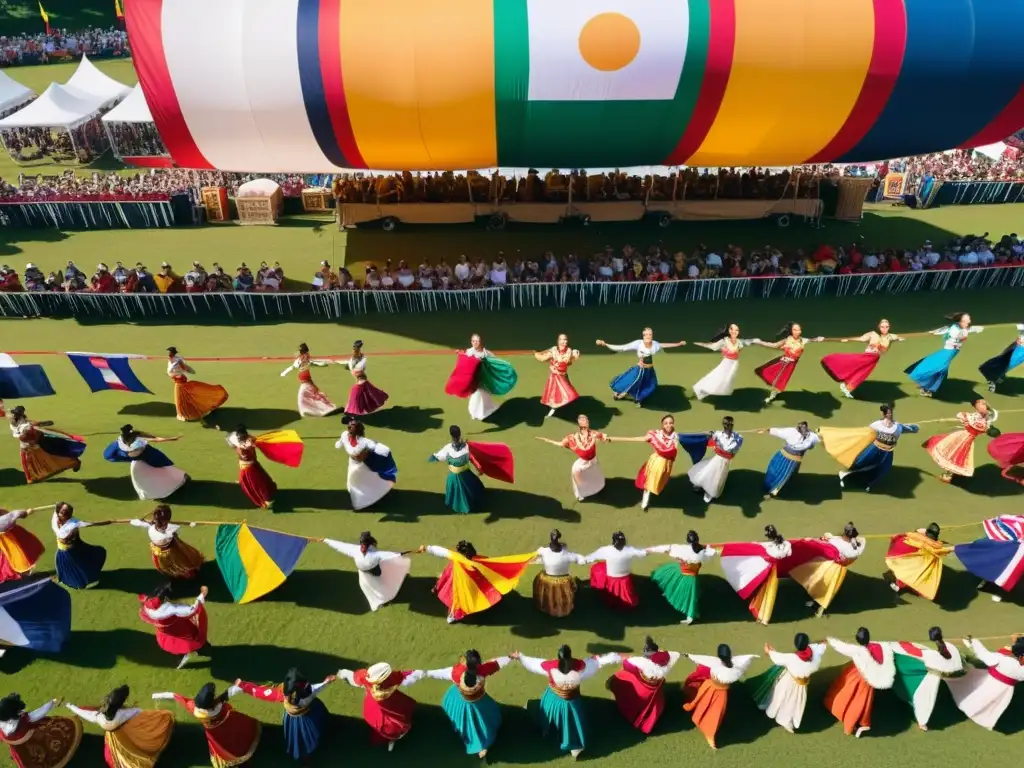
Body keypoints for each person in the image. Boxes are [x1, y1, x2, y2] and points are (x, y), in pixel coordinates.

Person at [515, 646, 620, 760]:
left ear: (559, 657)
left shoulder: (551, 666)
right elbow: (595, 663)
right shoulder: (580, 666)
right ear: (570, 656)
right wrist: (614, 656)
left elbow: (534, 664)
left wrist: (520, 656)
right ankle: (575, 747)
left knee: (545, 710)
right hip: (572, 702)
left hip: (554, 698)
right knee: (574, 722)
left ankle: (546, 730)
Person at [607, 414, 708, 512]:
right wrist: (615, 438)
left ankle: (649, 494)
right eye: (666, 423)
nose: (668, 425)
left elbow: (693, 437)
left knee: (659, 481)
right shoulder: (655, 435)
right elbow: (637, 439)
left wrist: (706, 435)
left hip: (667, 464)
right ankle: (645, 501)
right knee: (649, 482)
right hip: (656, 462)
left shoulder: (676, 437)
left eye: (671, 423)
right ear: (662, 425)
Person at [425, 650, 512, 759]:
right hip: (480, 703)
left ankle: (478, 745)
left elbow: (442, 673)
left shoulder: (457, 673)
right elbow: (497, 663)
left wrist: (426, 672)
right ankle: (482, 746)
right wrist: (509, 657)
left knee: (466, 723)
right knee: (483, 722)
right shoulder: (481, 670)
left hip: (462, 703)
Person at [421, 540, 534, 623]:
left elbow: (442, 551)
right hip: (472, 578)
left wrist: (427, 548)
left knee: (458, 597)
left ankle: (453, 615)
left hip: (462, 580)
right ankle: (452, 613)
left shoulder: (458, 558)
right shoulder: (476, 560)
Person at [234, 669, 337, 761]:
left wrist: (243, 685)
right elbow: (318, 688)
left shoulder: (283, 695)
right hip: (310, 715)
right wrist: (327, 681)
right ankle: (307, 753)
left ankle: (305, 757)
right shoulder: (309, 694)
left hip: (294, 720)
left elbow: (263, 692)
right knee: (308, 735)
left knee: (299, 740)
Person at [150, 683, 261, 766]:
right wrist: (241, 684)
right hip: (229, 723)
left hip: (214, 733)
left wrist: (159, 695)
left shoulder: (195, 709)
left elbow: (178, 697)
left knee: (221, 745)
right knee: (238, 734)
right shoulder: (218, 706)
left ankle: (229, 760)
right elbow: (230, 692)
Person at [65, 685, 175, 768]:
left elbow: (85, 714)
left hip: (113, 737)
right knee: (139, 742)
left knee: (117, 753)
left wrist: (71, 706)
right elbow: (137, 712)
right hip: (127, 731)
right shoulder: (123, 714)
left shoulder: (99, 717)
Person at [820, 404, 920, 492]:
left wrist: (916, 427)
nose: (891, 415)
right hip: (874, 449)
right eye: (889, 413)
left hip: (888, 452)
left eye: (891, 413)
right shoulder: (877, 425)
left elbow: (909, 429)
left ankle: (869, 484)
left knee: (884, 468)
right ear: (885, 414)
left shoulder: (897, 426)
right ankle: (847, 474)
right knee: (862, 462)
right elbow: (866, 433)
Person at [681, 644, 758, 750]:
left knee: (706, 708)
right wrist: (752, 656)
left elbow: (703, 659)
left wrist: (689, 655)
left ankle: (708, 732)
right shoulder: (736, 666)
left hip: (709, 688)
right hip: (721, 693)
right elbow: (744, 659)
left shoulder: (716, 663)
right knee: (715, 714)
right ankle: (709, 734)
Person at [825, 628, 896, 737]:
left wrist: (829, 640)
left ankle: (851, 724)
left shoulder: (859, 651)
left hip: (861, 678)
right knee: (864, 702)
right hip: (872, 678)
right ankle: (863, 722)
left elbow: (843, 648)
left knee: (854, 700)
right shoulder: (880, 646)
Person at [748, 633, 826, 733]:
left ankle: (775, 712)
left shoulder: (791, 658)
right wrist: (824, 643)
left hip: (788, 680)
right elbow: (820, 648)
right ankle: (787, 720)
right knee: (795, 702)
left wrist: (770, 651)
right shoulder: (815, 654)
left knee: (779, 695)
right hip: (802, 686)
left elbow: (778, 658)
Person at [890, 627, 964, 731]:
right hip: (955, 673)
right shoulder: (951, 648)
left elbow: (921, 656)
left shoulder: (931, 656)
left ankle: (922, 722)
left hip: (938, 673)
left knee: (924, 697)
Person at [337, 664, 423, 751]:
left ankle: (391, 737)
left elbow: (355, 679)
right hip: (390, 704)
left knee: (384, 725)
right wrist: (417, 672)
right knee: (397, 719)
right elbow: (401, 675)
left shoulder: (366, 677)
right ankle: (394, 736)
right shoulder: (389, 681)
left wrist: (343, 673)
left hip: (373, 708)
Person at [719, 525, 793, 625]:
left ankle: (763, 616)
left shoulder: (771, 547)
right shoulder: (786, 544)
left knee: (766, 591)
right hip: (773, 571)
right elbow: (789, 553)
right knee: (768, 592)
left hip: (768, 570)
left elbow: (763, 548)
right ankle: (763, 616)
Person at [946, 635, 1024, 730]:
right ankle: (985, 717)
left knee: (977, 693)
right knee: (994, 704)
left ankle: (969, 708)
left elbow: (984, 655)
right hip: (1006, 690)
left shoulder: (1003, 658)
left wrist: (973, 642)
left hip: (989, 680)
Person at [321, 532, 412, 612]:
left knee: (379, 583)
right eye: (362, 545)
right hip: (363, 573)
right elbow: (341, 545)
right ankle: (375, 602)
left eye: (364, 545)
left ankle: (384, 597)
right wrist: (326, 540)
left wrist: (404, 552)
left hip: (374, 570)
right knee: (365, 587)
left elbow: (389, 555)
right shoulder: (355, 550)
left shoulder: (375, 553)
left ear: (368, 546)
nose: (362, 547)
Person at [606, 636, 680, 734]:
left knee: (620, 677)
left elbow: (626, 664)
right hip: (655, 689)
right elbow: (675, 654)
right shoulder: (668, 661)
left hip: (643, 690)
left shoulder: (640, 662)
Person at [789, 523, 866, 616]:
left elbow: (828, 544)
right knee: (827, 585)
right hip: (835, 567)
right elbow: (860, 544)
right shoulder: (851, 546)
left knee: (823, 585)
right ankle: (817, 602)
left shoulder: (838, 543)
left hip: (831, 567)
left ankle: (817, 604)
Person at [596, 328, 686, 407]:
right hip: (640, 370)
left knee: (650, 385)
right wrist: (606, 344)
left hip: (649, 370)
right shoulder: (638, 343)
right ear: (643, 335)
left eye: (650, 334)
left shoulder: (655, 344)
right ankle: (620, 394)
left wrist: (678, 344)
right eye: (646, 334)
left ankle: (638, 398)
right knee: (633, 383)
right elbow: (622, 348)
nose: (648, 336)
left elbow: (663, 345)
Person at [905, 312, 984, 396]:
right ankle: (925, 386)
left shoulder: (959, 327)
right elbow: (960, 337)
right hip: (948, 352)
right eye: (966, 320)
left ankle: (924, 384)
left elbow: (964, 330)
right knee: (939, 369)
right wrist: (965, 332)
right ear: (960, 321)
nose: (969, 322)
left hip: (950, 352)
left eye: (969, 320)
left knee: (934, 366)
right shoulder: (955, 330)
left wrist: (974, 329)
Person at [820, 319, 904, 398]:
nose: (885, 329)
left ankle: (847, 387)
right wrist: (848, 340)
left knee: (861, 374)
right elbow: (860, 339)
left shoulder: (891, 337)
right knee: (851, 364)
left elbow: (884, 350)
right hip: (867, 356)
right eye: (882, 327)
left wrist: (899, 339)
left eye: (887, 327)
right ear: (879, 327)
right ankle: (841, 377)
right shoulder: (873, 334)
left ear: (889, 327)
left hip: (874, 359)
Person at [647, 531, 718, 624]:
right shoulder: (703, 552)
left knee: (687, 595)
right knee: (691, 597)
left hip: (685, 574)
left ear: (687, 540)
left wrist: (650, 549)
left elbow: (667, 548)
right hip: (691, 575)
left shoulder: (682, 549)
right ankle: (692, 615)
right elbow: (712, 553)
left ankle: (691, 616)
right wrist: (708, 549)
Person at [103, 425, 189, 500]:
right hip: (144, 461)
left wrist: (171, 439)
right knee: (158, 474)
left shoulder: (126, 442)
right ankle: (169, 486)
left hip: (143, 462)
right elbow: (155, 439)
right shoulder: (130, 441)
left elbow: (109, 455)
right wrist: (171, 439)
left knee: (149, 478)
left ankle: (158, 491)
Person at [429, 426, 502, 514]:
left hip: (453, 477)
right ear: (459, 434)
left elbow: (438, 457)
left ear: (451, 435)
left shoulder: (447, 448)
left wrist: (433, 457)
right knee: (472, 489)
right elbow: (473, 459)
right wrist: (479, 470)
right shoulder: (467, 447)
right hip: (466, 474)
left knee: (456, 494)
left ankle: (462, 506)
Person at [444, 333, 518, 420]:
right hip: (474, 380)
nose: (475, 343)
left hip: (484, 380)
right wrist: (460, 354)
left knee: (483, 394)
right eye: (473, 341)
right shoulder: (469, 352)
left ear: (481, 342)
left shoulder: (486, 353)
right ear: (471, 342)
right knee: (476, 395)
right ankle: (476, 412)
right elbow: (465, 362)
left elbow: (494, 362)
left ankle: (484, 410)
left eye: (477, 341)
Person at [535, 415, 608, 501]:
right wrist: (547, 440)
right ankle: (582, 494)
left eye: (586, 420)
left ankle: (596, 487)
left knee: (594, 475)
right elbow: (561, 444)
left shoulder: (593, 434)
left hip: (593, 461)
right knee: (581, 481)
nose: (585, 423)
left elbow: (603, 437)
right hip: (582, 465)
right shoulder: (571, 438)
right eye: (583, 421)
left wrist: (604, 438)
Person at [923, 398, 997, 484]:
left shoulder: (975, 419)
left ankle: (948, 475)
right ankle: (950, 473)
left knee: (951, 454)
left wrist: (944, 420)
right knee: (958, 456)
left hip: (962, 437)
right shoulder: (986, 422)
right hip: (969, 439)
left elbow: (961, 419)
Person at [137, 583, 209, 669]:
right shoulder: (170, 609)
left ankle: (182, 655)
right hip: (181, 628)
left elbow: (144, 613)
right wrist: (202, 594)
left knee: (178, 645)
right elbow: (193, 610)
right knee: (195, 639)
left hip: (166, 633)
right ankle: (205, 650)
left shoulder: (146, 609)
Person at [0, 692, 82, 768]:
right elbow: (40, 712)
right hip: (35, 739)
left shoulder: (3, 725)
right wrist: (53, 702)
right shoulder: (25, 720)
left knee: (24, 756)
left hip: (19, 748)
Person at [8, 405, 85, 483]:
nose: (15, 415)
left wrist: (36, 427)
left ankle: (74, 462)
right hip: (26, 444)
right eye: (15, 413)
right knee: (25, 460)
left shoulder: (26, 424)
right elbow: (18, 432)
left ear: (21, 414)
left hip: (34, 443)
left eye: (17, 413)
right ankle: (30, 478)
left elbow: (30, 431)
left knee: (51, 457)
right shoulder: (14, 422)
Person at [752, 323, 825, 404]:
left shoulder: (803, 340)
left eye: (799, 330)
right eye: (795, 330)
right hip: (782, 363)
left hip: (790, 366)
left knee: (780, 382)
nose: (798, 332)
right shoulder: (786, 340)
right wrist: (760, 342)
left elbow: (813, 340)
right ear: (791, 331)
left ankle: (774, 392)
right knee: (774, 378)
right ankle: (772, 395)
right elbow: (773, 345)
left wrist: (819, 338)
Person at [127, 504, 203, 579]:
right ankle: (187, 572)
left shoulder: (151, 527)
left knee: (169, 565)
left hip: (157, 551)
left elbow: (137, 523)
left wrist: (137, 521)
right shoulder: (173, 528)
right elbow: (175, 532)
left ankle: (179, 572)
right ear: (168, 519)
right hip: (172, 549)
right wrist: (192, 524)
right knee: (183, 561)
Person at [336, 416, 397, 510]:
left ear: (357, 429)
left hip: (362, 464)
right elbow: (339, 444)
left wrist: (368, 449)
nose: (350, 426)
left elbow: (361, 457)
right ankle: (363, 499)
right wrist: (340, 443)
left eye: (353, 425)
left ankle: (364, 501)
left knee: (359, 480)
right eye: (349, 425)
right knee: (353, 482)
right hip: (353, 463)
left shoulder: (363, 442)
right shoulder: (344, 435)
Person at [884, 523, 954, 601]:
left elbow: (918, 531)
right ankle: (897, 584)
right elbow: (941, 551)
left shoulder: (916, 536)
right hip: (919, 564)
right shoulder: (933, 545)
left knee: (907, 572)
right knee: (914, 576)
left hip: (909, 557)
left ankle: (896, 581)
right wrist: (954, 548)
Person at [52, 502, 111, 589]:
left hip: (73, 549)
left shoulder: (72, 524)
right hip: (66, 551)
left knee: (79, 565)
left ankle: (81, 579)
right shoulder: (57, 520)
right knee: (71, 567)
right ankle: (78, 579)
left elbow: (91, 524)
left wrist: (108, 522)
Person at [692, 323, 759, 400]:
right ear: (729, 331)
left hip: (734, 363)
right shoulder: (723, 341)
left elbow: (747, 341)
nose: (736, 331)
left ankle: (716, 393)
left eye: (737, 330)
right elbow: (712, 346)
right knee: (717, 377)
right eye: (733, 329)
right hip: (726, 363)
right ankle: (703, 391)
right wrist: (698, 343)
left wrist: (756, 340)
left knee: (728, 379)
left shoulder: (739, 341)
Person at [584, 531, 648, 610]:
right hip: (625, 580)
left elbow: (589, 558)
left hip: (612, 580)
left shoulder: (606, 550)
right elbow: (644, 553)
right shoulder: (630, 550)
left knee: (596, 567)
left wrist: (580, 559)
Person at [688, 416, 743, 503]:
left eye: (730, 424)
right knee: (709, 472)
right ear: (723, 424)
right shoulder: (718, 434)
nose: (728, 425)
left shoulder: (738, 437)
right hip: (718, 458)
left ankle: (708, 492)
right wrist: (711, 436)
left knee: (717, 477)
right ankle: (699, 485)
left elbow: (734, 450)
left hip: (725, 461)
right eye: (726, 424)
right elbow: (711, 440)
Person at [165, 346, 228, 421]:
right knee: (181, 398)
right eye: (168, 353)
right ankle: (184, 413)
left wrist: (183, 372)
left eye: (170, 353)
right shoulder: (171, 360)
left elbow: (185, 368)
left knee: (182, 398)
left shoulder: (178, 361)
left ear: (173, 353)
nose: (169, 354)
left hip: (180, 381)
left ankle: (188, 412)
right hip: (177, 381)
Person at [532, 530, 586, 618]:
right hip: (563, 582)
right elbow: (582, 561)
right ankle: (562, 608)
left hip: (546, 580)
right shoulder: (569, 555)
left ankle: (545, 606)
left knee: (538, 581)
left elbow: (537, 553)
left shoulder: (544, 551)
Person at [760, 421, 819, 499]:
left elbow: (778, 432)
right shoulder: (812, 437)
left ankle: (772, 493)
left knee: (781, 476)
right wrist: (767, 430)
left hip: (790, 460)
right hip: (789, 457)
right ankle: (770, 487)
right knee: (779, 472)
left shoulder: (792, 432)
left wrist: (767, 430)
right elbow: (811, 446)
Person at [226, 425, 278, 509]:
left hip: (249, 467)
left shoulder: (248, 442)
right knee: (259, 480)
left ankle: (267, 500)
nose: (241, 439)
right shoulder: (241, 441)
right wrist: (245, 446)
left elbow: (245, 454)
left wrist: (247, 446)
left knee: (258, 484)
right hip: (248, 465)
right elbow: (237, 446)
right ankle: (268, 495)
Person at [280, 343, 338, 417]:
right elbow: (309, 363)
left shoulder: (303, 359)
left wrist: (284, 373)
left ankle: (316, 410)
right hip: (305, 380)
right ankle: (311, 410)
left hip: (305, 380)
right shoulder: (303, 358)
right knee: (308, 396)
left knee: (304, 397)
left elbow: (304, 366)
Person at [533, 334, 581, 418]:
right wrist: (536, 354)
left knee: (568, 393)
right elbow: (543, 359)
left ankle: (566, 408)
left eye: (565, 339)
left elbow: (570, 361)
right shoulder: (553, 351)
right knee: (555, 395)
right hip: (554, 377)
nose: (563, 342)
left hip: (563, 376)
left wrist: (575, 355)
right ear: (558, 341)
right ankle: (553, 408)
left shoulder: (569, 352)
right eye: (561, 339)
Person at [339, 340, 389, 416]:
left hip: (361, 381)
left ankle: (357, 410)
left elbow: (356, 364)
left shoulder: (356, 362)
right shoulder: (357, 361)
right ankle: (360, 410)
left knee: (359, 395)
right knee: (367, 396)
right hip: (361, 381)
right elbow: (357, 361)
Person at [0, 505, 48, 582]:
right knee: (21, 558)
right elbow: (13, 515)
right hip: (12, 541)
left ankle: (22, 575)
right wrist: (25, 513)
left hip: (12, 539)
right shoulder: (2, 521)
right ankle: (25, 577)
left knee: (13, 558)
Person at [979, 323, 1024, 392]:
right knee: (1007, 362)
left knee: (1008, 362)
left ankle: (996, 375)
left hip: (1020, 346)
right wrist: (1020, 337)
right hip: (1020, 347)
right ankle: (992, 378)